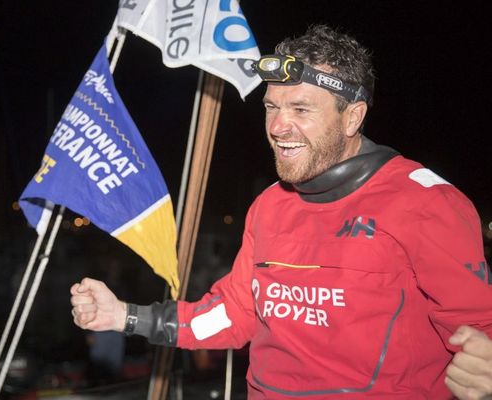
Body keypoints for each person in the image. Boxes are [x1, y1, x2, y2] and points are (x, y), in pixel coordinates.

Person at [70, 25, 492, 399]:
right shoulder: (270, 205)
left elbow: (481, 330)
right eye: (272, 107)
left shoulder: (426, 203)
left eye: (301, 110)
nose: (277, 126)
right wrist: (123, 315)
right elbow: (232, 316)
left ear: (353, 117)